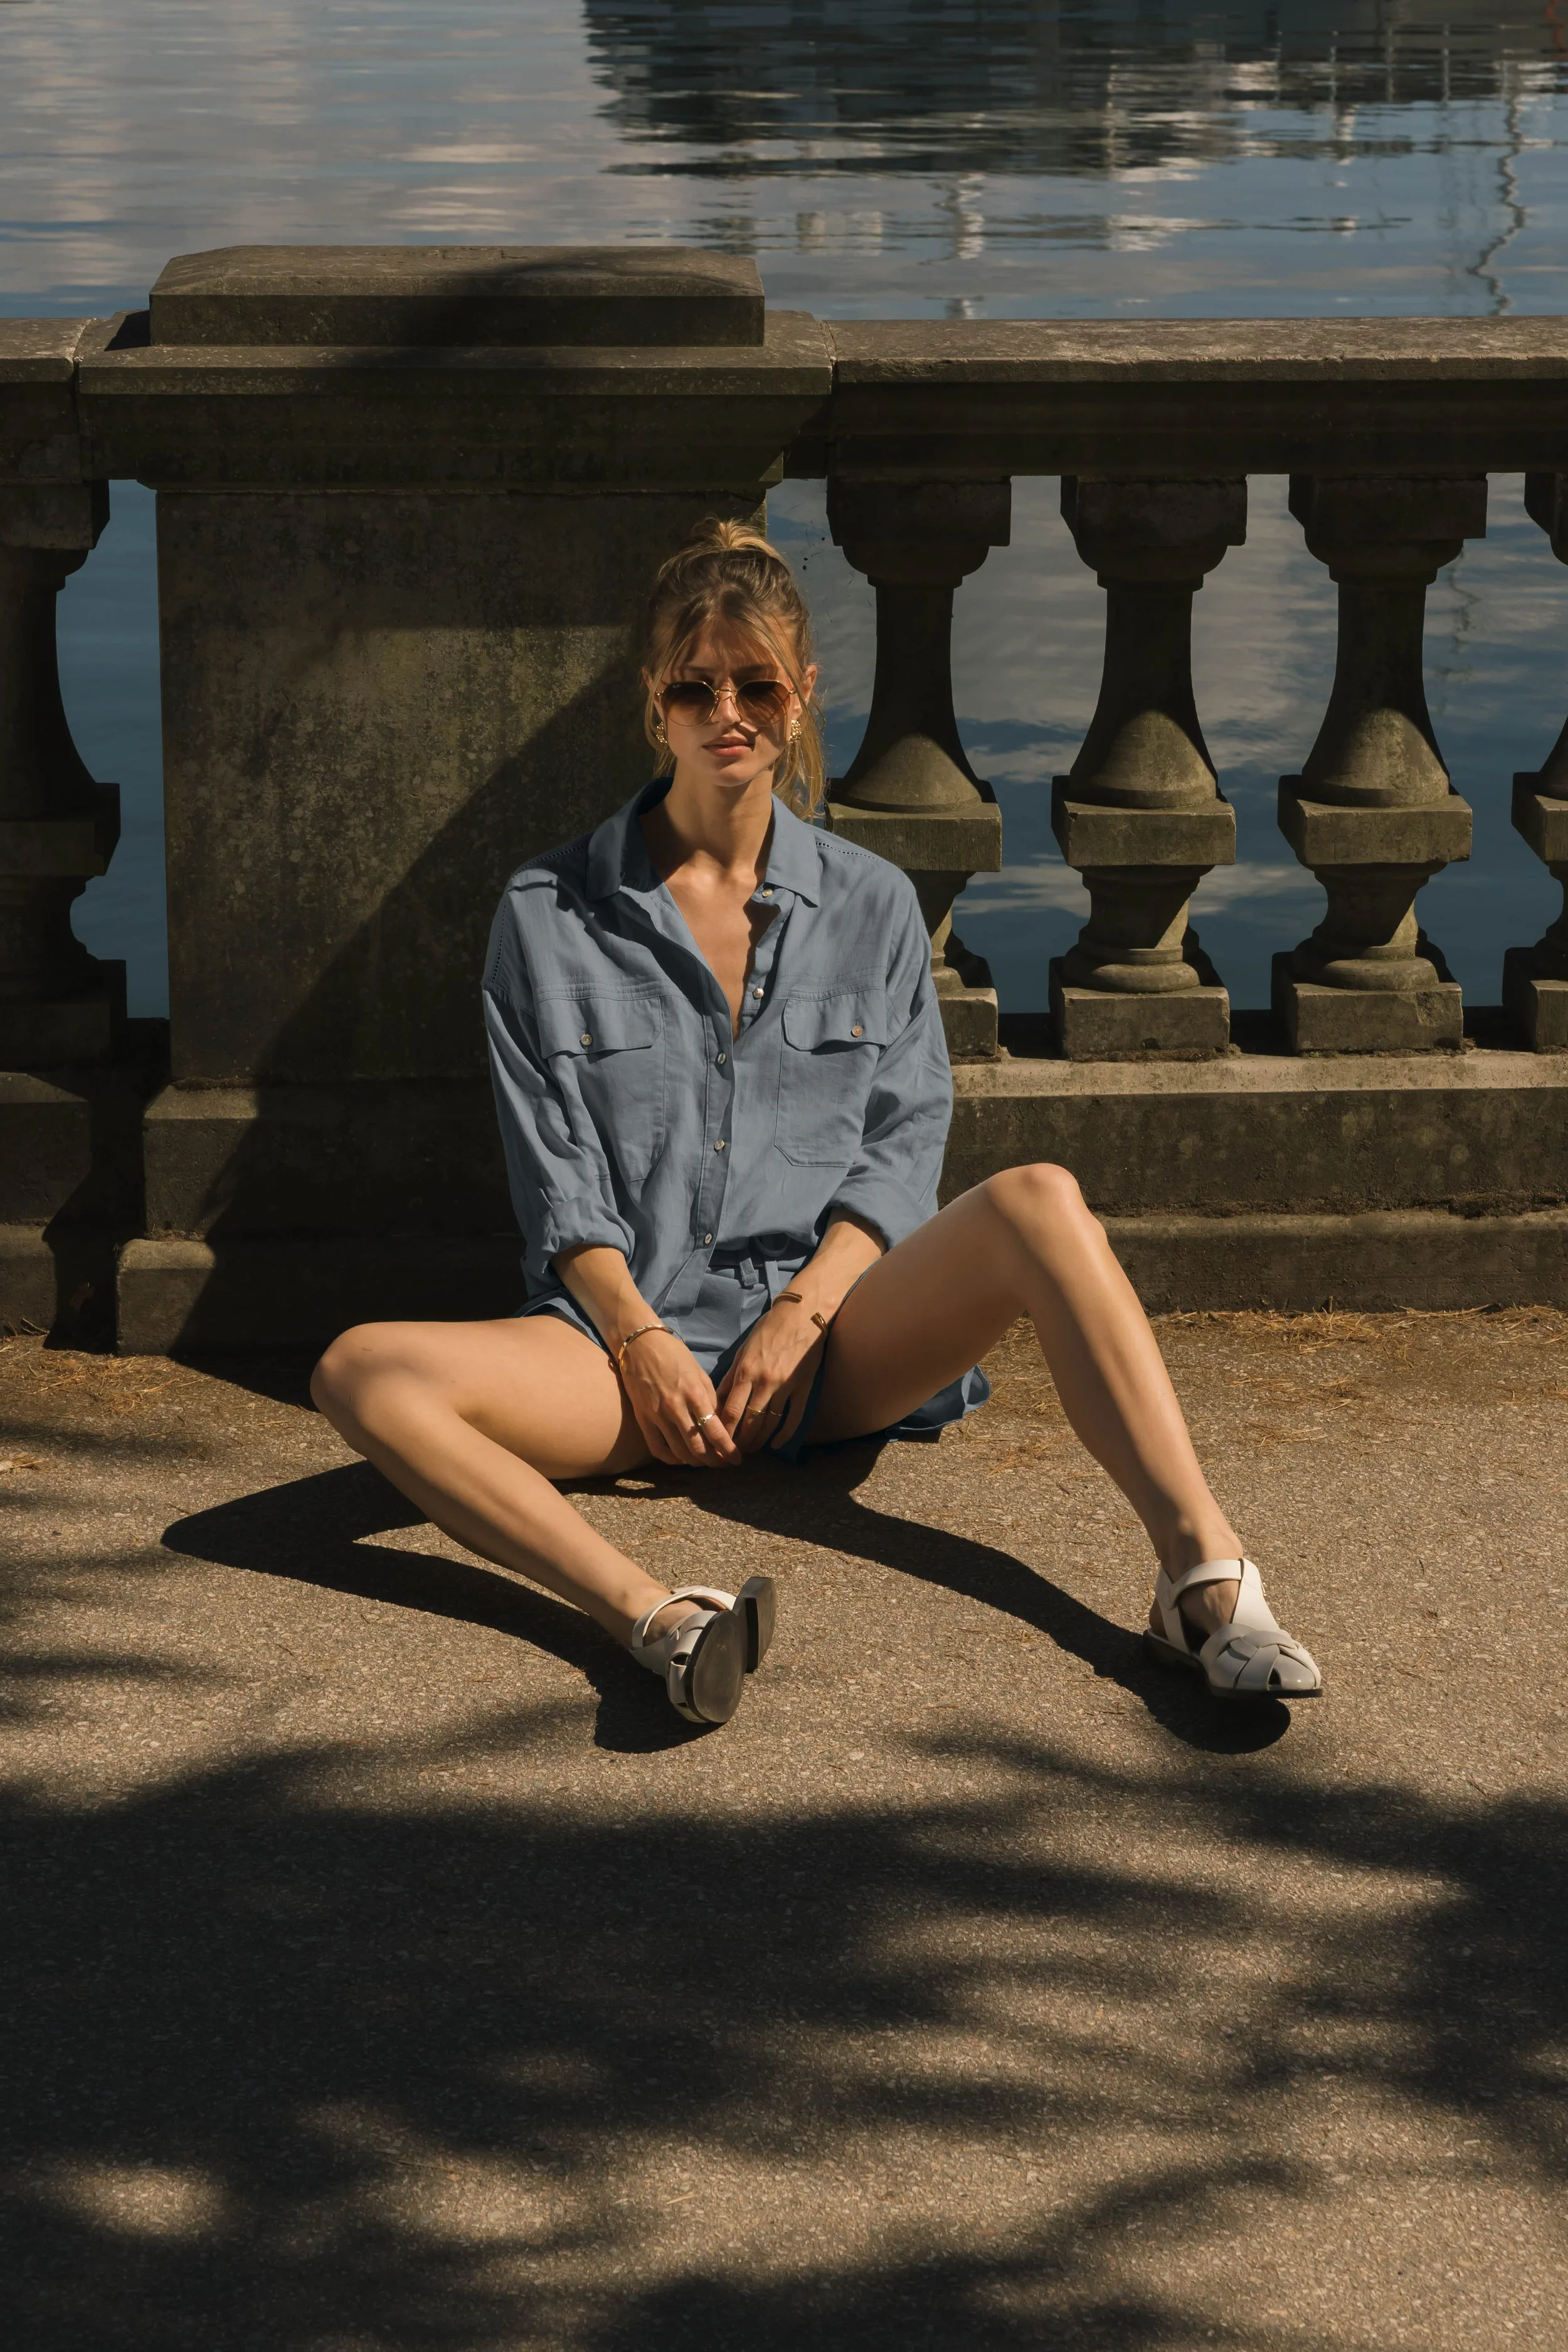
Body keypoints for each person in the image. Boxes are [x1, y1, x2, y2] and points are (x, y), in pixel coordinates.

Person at [312, 519, 1322, 1727]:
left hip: (831, 1348)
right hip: (619, 1354)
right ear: (653, 700)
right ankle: (658, 1619)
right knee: (360, 1369)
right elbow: (557, 1180)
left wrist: (802, 1312)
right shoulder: (549, 911)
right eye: (694, 686)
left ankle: (1204, 1581)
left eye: (755, 684)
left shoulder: (874, 904)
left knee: (1040, 1197)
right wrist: (638, 1343)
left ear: (801, 696)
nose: (723, 711)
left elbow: (904, 1140)